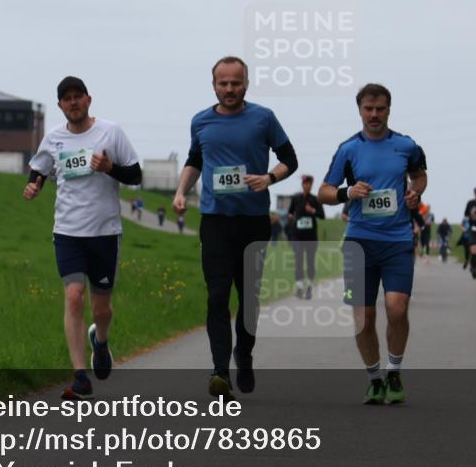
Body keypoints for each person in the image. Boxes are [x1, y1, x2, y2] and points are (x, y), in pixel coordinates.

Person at [172, 56, 297, 399]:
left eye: (235, 83)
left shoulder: (263, 118)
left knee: (250, 300)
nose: (229, 89)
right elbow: (195, 160)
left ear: (246, 84)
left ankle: (244, 354)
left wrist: (269, 177)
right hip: (215, 221)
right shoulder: (201, 121)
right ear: (213, 85)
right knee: (216, 296)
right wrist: (181, 191)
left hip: (254, 222)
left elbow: (291, 159)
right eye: (223, 83)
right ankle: (219, 372)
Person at [24, 76, 142, 400]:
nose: (73, 102)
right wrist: (34, 185)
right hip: (68, 232)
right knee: (74, 297)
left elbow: (136, 175)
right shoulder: (53, 138)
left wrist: (109, 167)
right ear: (60, 105)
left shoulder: (110, 132)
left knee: (101, 309)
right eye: (67, 98)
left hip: (104, 232)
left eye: (78, 97)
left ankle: (100, 341)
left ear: (89, 100)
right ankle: (80, 377)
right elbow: (40, 169)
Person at [318, 83, 427, 405]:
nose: (374, 114)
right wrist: (346, 193)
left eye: (380, 108)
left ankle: (394, 371)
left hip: (397, 240)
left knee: (397, 308)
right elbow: (324, 191)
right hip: (359, 242)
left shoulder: (406, 146)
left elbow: (419, 176)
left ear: (389, 109)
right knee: (363, 317)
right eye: (369, 109)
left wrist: (415, 192)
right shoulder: (349, 149)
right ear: (360, 110)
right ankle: (374, 378)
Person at [287, 175, 325, 299]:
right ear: (302, 185)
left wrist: (313, 211)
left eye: (309, 184)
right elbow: (290, 212)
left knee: (310, 262)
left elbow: (322, 216)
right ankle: (299, 287)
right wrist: (291, 216)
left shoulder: (316, 199)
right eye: (305, 183)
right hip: (297, 235)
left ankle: (309, 288)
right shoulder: (295, 198)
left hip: (311, 236)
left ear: (311, 185)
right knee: (298, 260)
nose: (307, 186)